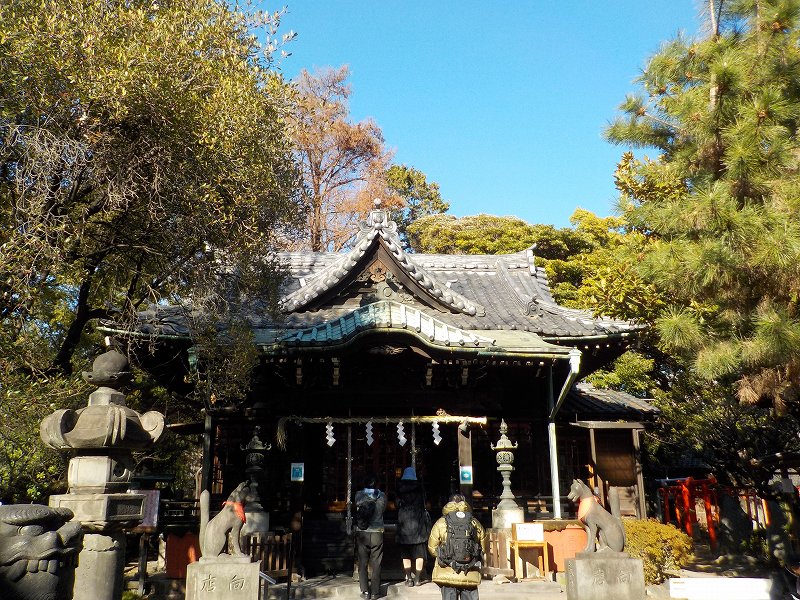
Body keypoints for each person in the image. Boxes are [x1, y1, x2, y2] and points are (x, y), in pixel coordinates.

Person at [427, 493, 486, 600]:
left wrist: (445, 558)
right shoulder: (474, 522)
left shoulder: (441, 522)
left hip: (447, 572)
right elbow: (483, 548)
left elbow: (432, 548)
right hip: (469, 572)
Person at [355, 474, 386, 599]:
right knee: (376, 562)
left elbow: (356, 505)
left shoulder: (359, 495)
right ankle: (375, 592)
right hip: (377, 531)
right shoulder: (382, 496)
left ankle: (365, 591)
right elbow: (383, 510)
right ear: (377, 484)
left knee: (362, 562)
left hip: (362, 531)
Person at [396, 466, 428, 586]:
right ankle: (418, 578)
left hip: (404, 525)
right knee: (420, 554)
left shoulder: (399, 489)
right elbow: (425, 502)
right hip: (418, 525)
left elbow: (396, 504)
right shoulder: (420, 489)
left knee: (406, 554)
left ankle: (409, 578)